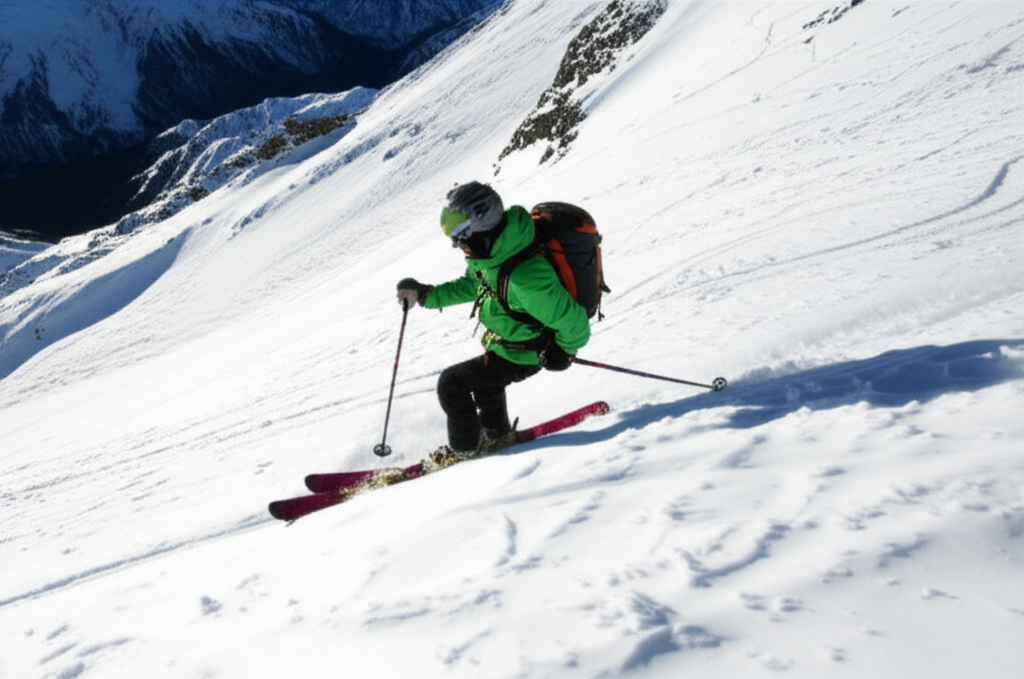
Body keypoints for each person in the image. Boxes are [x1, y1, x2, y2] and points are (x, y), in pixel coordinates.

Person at [397, 181, 591, 459]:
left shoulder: (525, 278)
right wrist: (427, 295)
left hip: (527, 352)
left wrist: (563, 352)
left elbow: (575, 324)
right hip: (506, 344)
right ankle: (496, 436)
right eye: (451, 234)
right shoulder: (494, 254)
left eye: (461, 233)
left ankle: (465, 451)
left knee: (451, 385)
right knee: (486, 384)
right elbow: (473, 285)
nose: (456, 244)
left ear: (483, 226)